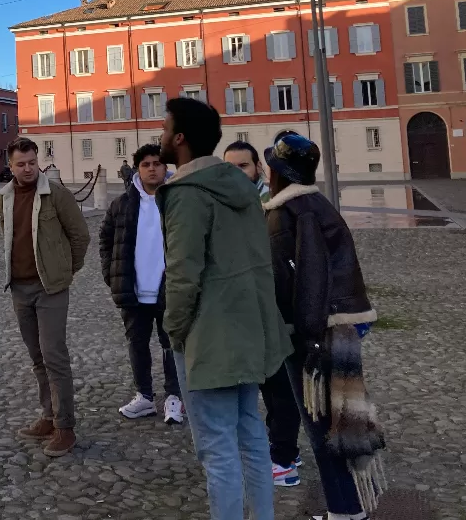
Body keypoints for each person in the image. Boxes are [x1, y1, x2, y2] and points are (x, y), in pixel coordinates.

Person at [156, 99, 289, 520]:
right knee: (250, 430)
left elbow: (182, 273)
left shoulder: (188, 194)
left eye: (164, 128)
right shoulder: (241, 187)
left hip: (208, 333)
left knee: (216, 447)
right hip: (249, 324)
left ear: (179, 138)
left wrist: (174, 329)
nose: (159, 136)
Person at [264, 134, 387, 520]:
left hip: (315, 332)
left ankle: (345, 511)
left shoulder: (290, 211)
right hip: (340, 324)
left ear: (278, 173)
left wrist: (306, 335)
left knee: (322, 425)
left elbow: (308, 277)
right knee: (341, 420)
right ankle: (346, 506)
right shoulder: (314, 203)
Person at [0, 137, 90, 458]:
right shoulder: (3, 198)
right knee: (37, 357)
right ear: (10, 166)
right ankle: (48, 417)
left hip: (50, 287)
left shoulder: (56, 195)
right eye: (20, 164)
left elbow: (80, 235)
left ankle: (66, 427)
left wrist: (66, 270)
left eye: (32, 163)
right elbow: (8, 236)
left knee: (54, 356)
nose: (27, 169)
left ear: (39, 162)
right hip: (19, 288)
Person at [224, 141, 301, 488]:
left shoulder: (272, 206)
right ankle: (283, 449)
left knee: (281, 386)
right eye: (230, 167)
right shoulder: (233, 204)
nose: (236, 173)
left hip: (276, 309)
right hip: (251, 307)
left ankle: (283, 460)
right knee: (269, 384)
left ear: (258, 168)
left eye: (242, 166)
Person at [98, 144, 183, 424]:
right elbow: (106, 240)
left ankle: (174, 397)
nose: (151, 168)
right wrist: (112, 275)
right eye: (146, 164)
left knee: (171, 343)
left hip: (169, 287)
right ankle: (144, 396)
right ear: (138, 168)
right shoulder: (122, 204)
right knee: (137, 343)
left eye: (157, 163)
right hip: (133, 288)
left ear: (165, 167)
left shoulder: (178, 201)